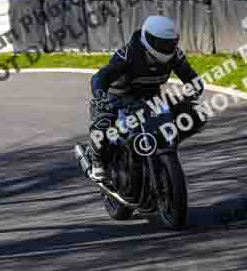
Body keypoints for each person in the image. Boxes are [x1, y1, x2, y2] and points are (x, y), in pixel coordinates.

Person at [88, 15, 205, 181]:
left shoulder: (175, 55)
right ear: (147, 39)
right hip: (118, 98)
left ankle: (166, 148)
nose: (166, 47)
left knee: (196, 114)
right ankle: (97, 161)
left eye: (170, 43)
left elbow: (190, 76)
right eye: (161, 43)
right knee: (103, 124)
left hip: (149, 100)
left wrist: (195, 87)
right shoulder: (129, 53)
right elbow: (101, 77)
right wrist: (100, 96)